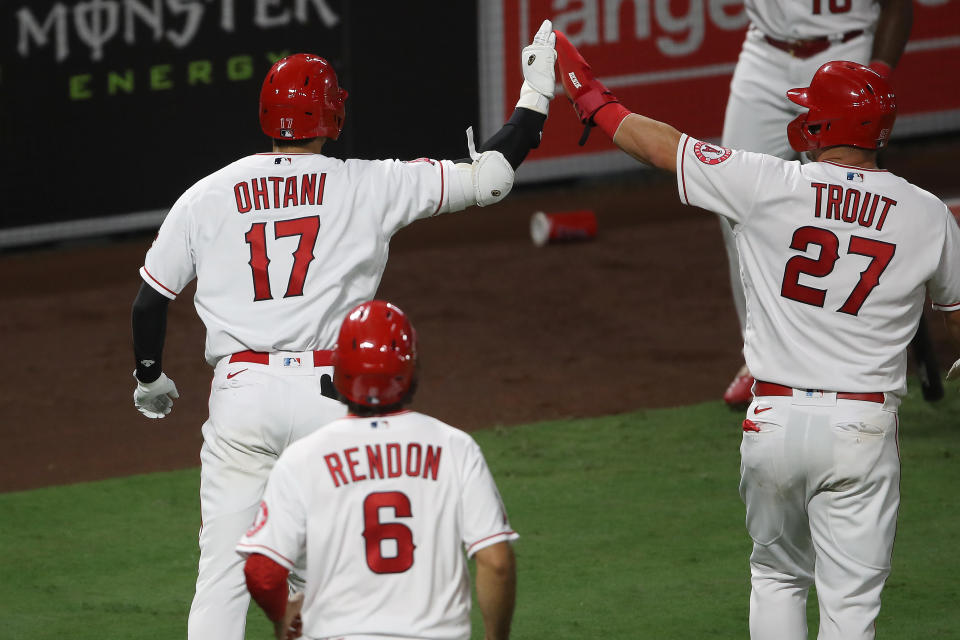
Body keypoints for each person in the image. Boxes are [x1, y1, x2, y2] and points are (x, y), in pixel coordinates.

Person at [130, 20, 555, 639]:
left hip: (241, 394)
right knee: (338, 570)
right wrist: (535, 97)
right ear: (331, 115)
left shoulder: (206, 195)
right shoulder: (369, 183)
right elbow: (490, 177)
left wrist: (149, 377)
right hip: (333, 395)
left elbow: (149, 303)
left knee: (223, 572)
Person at [553, 30, 960, 640]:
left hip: (771, 422)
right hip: (862, 429)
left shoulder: (768, 181)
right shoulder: (929, 213)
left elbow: (666, 147)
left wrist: (592, 99)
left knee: (777, 576)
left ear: (821, 128)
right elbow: (955, 311)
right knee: (851, 611)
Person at [237, 300, 518, 640]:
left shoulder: (303, 459)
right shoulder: (456, 448)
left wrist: (284, 618)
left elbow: (263, 573)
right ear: (410, 369)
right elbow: (497, 563)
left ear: (339, 370)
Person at [719, 0, 913, 407]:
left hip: (845, 54)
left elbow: (898, 5)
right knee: (735, 201)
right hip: (763, 54)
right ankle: (759, 358)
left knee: (852, 204)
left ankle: (857, 350)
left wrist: (876, 74)